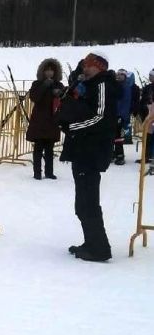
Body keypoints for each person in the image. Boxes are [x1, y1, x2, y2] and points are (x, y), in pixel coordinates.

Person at [56, 50, 118, 262]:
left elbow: (101, 118)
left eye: (89, 64)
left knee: (88, 201)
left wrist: (74, 126)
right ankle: (91, 242)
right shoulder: (89, 85)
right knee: (83, 202)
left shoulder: (102, 85)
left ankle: (99, 248)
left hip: (92, 150)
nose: (84, 67)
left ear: (99, 66)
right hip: (83, 149)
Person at [26, 58, 63, 179]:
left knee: (49, 149)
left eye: (52, 70)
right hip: (39, 119)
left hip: (52, 120)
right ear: (42, 71)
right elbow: (35, 97)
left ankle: (49, 172)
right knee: (38, 148)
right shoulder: (37, 84)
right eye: (47, 70)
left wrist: (60, 94)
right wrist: (44, 86)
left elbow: (64, 99)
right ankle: (37, 172)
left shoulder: (58, 84)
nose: (49, 72)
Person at [112, 69, 134, 165]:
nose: (119, 76)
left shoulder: (126, 86)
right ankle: (112, 153)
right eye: (118, 74)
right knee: (111, 135)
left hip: (120, 115)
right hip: (112, 114)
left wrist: (121, 115)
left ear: (125, 76)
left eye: (122, 75)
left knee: (118, 136)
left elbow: (125, 103)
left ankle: (120, 155)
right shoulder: (115, 85)